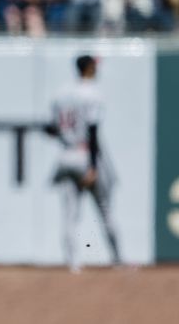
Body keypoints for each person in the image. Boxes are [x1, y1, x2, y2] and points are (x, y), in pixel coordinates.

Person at [45, 55, 121, 273]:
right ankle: (117, 259)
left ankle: (73, 264)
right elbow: (93, 131)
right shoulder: (93, 93)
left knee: (69, 214)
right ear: (89, 68)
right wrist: (94, 166)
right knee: (105, 209)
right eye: (94, 66)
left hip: (65, 156)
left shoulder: (60, 93)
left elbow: (52, 128)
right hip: (86, 155)